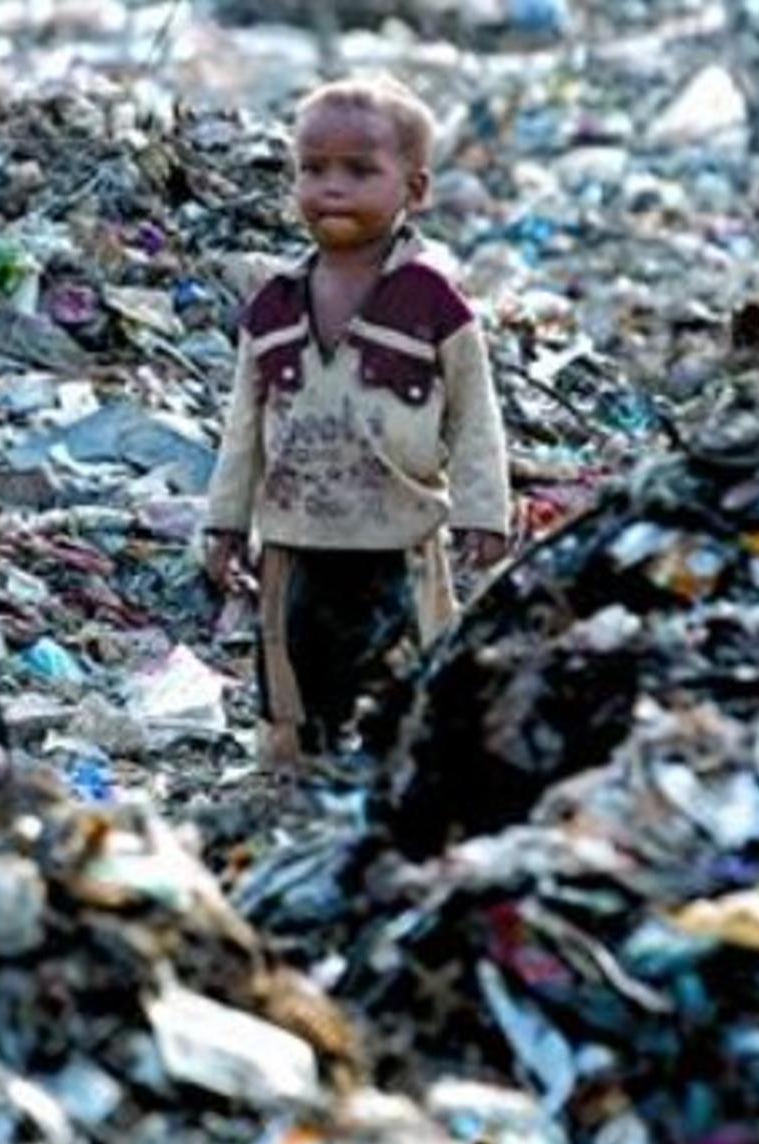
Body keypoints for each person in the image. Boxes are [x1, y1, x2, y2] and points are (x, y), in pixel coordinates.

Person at [202, 75, 510, 767]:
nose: (331, 187)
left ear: (416, 189)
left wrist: (484, 514)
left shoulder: (433, 301)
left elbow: (473, 414)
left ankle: (396, 774)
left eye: (360, 170)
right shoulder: (274, 304)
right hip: (294, 538)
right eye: (313, 169)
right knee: (293, 681)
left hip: (397, 536)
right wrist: (224, 523)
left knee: (408, 676)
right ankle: (291, 781)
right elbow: (243, 427)